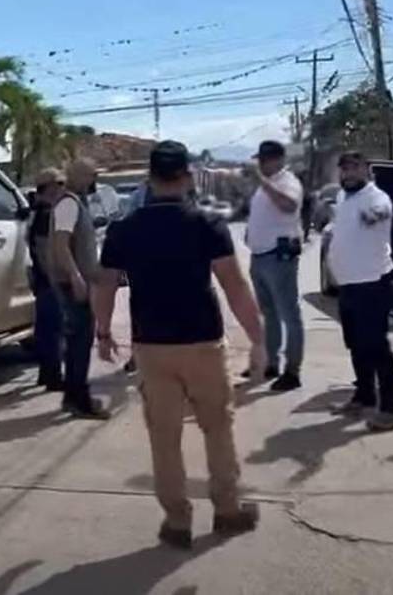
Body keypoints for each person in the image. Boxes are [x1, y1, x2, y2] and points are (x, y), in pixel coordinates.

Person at [94, 140, 266, 549]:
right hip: (203, 341)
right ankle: (226, 510)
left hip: (151, 345)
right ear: (187, 177)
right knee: (217, 427)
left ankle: (176, 521)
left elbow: (105, 283)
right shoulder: (206, 223)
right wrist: (258, 339)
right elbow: (234, 284)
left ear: (149, 179)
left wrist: (103, 332)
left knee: (164, 435)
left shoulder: (125, 229)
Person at [326, 152, 393, 432]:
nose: (348, 173)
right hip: (349, 284)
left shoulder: (376, 197)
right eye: (344, 168)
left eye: (355, 168)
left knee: (376, 346)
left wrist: (372, 216)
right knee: (356, 345)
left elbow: (381, 213)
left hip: (373, 282)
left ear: (367, 171)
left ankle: (391, 408)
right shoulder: (343, 198)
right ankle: (364, 396)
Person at [50, 158, 111, 419]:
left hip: (79, 282)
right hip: (72, 285)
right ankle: (79, 399)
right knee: (79, 343)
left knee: (79, 341)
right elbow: (60, 245)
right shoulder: (68, 204)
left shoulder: (76, 203)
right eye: (90, 176)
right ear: (78, 176)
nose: (93, 182)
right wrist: (76, 277)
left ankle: (73, 398)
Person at [245, 140, 306, 391]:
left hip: (278, 256)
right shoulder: (267, 186)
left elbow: (289, 205)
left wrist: (260, 180)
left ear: (277, 159)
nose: (260, 163)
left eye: (264, 159)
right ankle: (272, 363)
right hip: (260, 256)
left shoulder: (287, 181)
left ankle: (293, 371)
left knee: (288, 314)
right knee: (269, 314)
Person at [28, 168, 66, 391]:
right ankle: (52, 376)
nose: (62, 188)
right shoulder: (45, 215)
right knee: (53, 329)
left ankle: (46, 373)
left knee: (45, 329)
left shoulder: (39, 212)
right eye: (60, 184)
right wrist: (55, 278)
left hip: (43, 281)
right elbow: (43, 250)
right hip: (49, 281)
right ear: (50, 187)